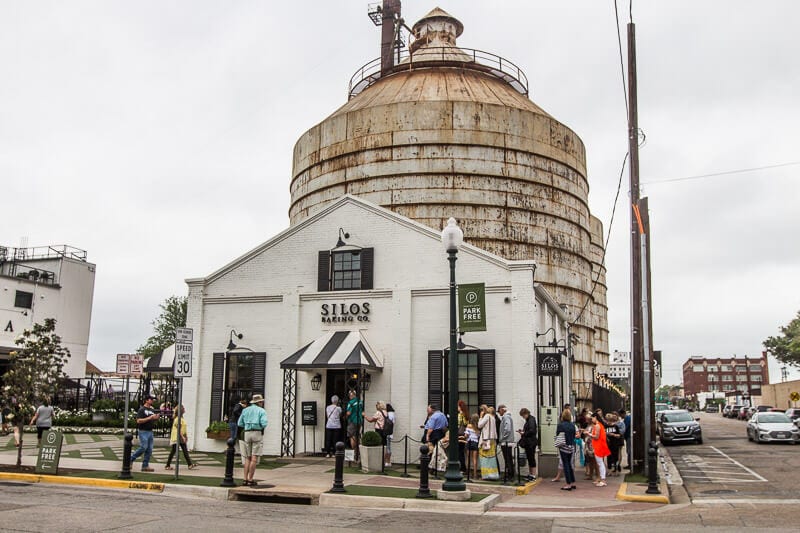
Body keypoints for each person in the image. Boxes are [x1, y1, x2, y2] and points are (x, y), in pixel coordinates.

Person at [238, 393, 268, 486]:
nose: (262, 403)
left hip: (247, 432)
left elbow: (240, 423)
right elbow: (264, 423)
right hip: (256, 432)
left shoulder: (245, 410)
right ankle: (250, 479)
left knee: (247, 457)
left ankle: (245, 479)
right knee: (254, 457)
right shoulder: (262, 411)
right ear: (259, 402)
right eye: (261, 402)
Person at [130, 394, 160, 472]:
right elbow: (138, 420)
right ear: (146, 400)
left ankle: (145, 465)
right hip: (143, 431)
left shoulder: (151, 410)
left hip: (150, 431)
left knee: (149, 449)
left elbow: (152, 419)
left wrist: (155, 418)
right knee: (143, 447)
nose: (152, 400)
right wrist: (150, 417)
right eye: (151, 399)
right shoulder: (142, 409)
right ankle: (130, 459)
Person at [165, 405, 197, 470]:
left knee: (185, 450)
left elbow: (183, 428)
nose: (185, 409)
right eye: (183, 408)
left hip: (181, 436)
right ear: (181, 410)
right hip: (177, 436)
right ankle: (167, 465)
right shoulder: (177, 419)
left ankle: (190, 464)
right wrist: (182, 437)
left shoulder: (182, 419)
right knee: (174, 450)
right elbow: (178, 429)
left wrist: (186, 436)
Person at [363, 401, 390, 466]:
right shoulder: (386, 413)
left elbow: (370, 420)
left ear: (379, 406)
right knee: (384, 446)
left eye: (377, 405)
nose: (376, 406)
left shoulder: (378, 413)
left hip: (379, 430)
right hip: (385, 431)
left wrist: (364, 416)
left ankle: (379, 462)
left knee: (378, 446)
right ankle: (384, 461)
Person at [556, 408, 577, 490]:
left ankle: (568, 484)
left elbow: (558, 434)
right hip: (571, 446)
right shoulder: (572, 425)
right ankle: (573, 482)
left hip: (563, 446)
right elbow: (574, 434)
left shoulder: (560, 425)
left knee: (566, 464)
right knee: (570, 464)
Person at [588, 411, 611, 487]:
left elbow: (596, 437)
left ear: (595, 418)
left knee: (600, 463)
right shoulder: (599, 425)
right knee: (600, 463)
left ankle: (603, 479)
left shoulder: (597, 426)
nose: (592, 420)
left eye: (592, 418)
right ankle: (602, 479)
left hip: (599, 446)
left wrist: (589, 434)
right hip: (599, 445)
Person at [477, 405, 499, 480]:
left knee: (484, 458)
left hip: (485, 440)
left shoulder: (487, 416)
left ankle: (486, 475)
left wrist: (480, 417)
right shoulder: (493, 418)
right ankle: (493, 474)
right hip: (492, 440)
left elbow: (479, 425)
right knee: (492, 458)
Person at [517, 407, 538, 482]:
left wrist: (523, 433)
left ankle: (533, 475)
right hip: (530, 442)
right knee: (530, 458)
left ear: (526, 414)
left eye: (523, 416)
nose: (523, 417)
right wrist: (523, 431)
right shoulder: (530, 420)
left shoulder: (531, 420)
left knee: (531, 458)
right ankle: (531, 474)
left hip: (530, 442)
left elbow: (532, 431)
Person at [497, 404, 515, 481]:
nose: (499, 413)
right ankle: (510, 474)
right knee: (509, 459)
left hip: (506, 442)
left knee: (507, 459)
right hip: (508, 441)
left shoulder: (506, 417)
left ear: (502, 410)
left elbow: (507, 429)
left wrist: (502, 438)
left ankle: (509, 475)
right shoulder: (507, 417)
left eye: (499, 411)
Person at [345, 390, 363, 455]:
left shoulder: (351, 403)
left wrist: (345, 416)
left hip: (352, 421)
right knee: (357, 436)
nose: (349, 396)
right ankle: (357, 451)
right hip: (359, 421)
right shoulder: (360, 402)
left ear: (351, 395)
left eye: (350, 395)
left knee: (352, 436)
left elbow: (348, 413)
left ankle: (354, 452)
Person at [463, 414, 480, 479]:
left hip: (469, 442)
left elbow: (466, 435)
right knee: (474, 459)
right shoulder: (478, 427)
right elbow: (478, 435)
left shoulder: (469, 426)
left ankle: (469, 473)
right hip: (475, 442)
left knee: (468, 458)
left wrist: (464, 437)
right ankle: (475, 474)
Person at [457, 400, 470, 472]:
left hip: (459, 434)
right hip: (464, 434)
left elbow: (458, 425)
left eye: (458, 406)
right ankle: (463, 467)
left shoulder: (460, 415)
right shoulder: (466, 414)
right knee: (461, 451)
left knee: (459, 451)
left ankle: (462, 467)